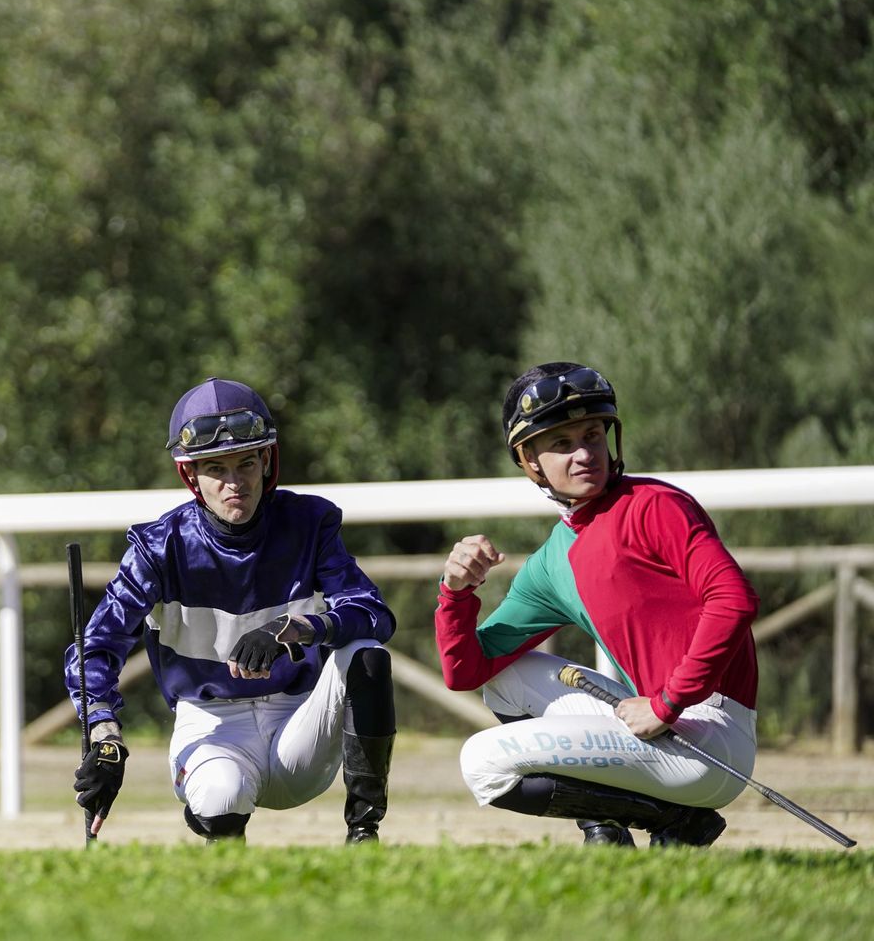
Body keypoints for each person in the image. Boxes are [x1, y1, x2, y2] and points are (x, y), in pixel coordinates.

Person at [436, 361, 760, 847]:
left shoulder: (655, 505)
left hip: (710, 738)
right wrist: (455, 593)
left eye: (592, 435)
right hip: (654, 724)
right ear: (529, 461)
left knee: (482, 763)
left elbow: (733, 599)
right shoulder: (551, 560)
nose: (585, 453)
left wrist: (668, 702)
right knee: (502, 682)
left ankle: (676, 819)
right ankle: (607, 825)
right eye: (562, 444)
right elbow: (468, 670)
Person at [65, 377, 398, 843]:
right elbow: (94, 648)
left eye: (246, 463)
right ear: (191, 476)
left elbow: (374, 614)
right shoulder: (157, 548)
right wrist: (105, 738)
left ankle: (364, 835)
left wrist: (299, 628)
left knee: (366, 654)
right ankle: (223, 850)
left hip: (298, 726)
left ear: (267, 462)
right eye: (215, 468)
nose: (234, 482)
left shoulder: (311, 523)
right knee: (221, 797)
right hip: (211, 725)